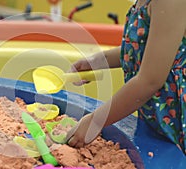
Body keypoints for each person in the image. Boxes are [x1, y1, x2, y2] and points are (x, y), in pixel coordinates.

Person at [66, 0, 186, 154]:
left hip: (177, 120)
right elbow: (142, 48)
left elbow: (150, 80)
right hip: (156, 119)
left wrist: (95, 121)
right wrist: (97, 61)